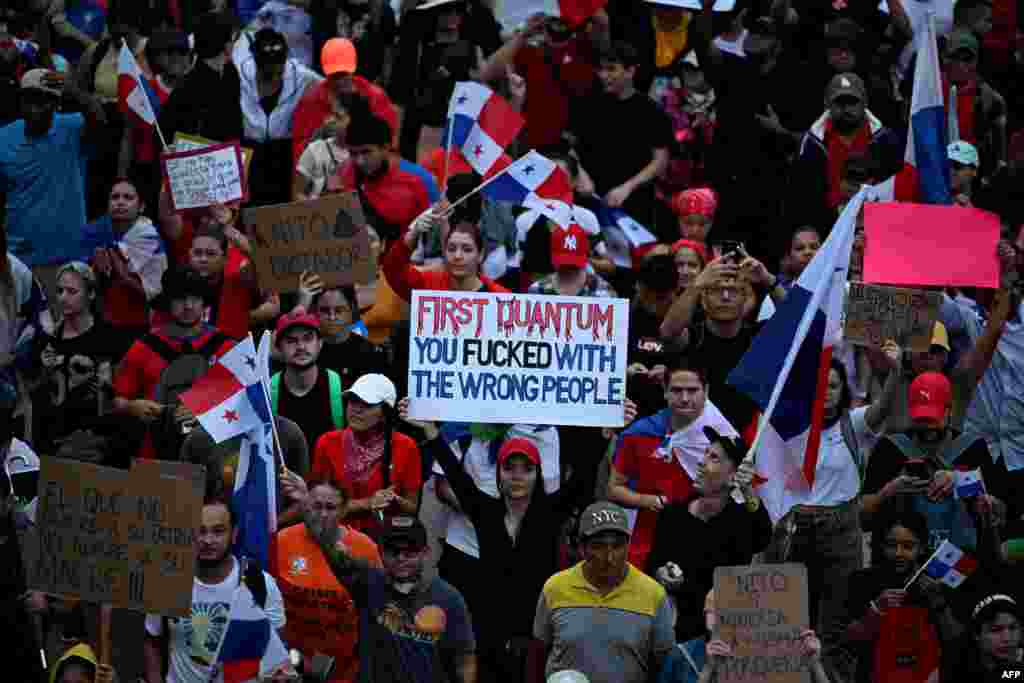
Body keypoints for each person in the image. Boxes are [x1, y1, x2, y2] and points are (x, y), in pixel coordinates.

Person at [401, 401, 590, 683]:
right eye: (508, 468)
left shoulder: (550, 514)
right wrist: (430, 430)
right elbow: (455, 474)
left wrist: (604, 434)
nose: (516, 477)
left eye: (526, 469)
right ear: (498, 475)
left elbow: (584, 476)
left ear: (538, 475)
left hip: (533, 639)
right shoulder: (485, 511)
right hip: (487, 636)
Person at [762, 347, 904, 681]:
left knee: (834, 628)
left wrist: (896, 372)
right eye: (818, 385)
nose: (825, 392)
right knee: (786, 623)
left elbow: (883, 409)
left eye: (833, 385)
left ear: (844, 391)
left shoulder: (853, 424)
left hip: (840, 532)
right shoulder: (786, 428)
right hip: (792, 529)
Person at [281, 472, 478, 683]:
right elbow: (328, 543)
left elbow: (465, 660)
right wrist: (306, 503)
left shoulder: (449, 598)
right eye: (394, 551)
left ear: (426, 552)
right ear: (381, 553)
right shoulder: (368, 584)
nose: (402, 558)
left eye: (410, 551)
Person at [143, 497, 290, 683]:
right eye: (200, 531)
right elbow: (152, 641)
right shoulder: (168, 582)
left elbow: (277, 655)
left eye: (218, 531)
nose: (208, 540)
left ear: (234, 533)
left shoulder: (260, 584)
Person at [609, 360, 739, 568]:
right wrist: (649, 500)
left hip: (704, 549)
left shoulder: (727, 439)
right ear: (665, 392)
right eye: (677, 391)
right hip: (644, 547)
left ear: (706, 391)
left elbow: (739, 495)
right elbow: (614, 489)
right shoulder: (639, 433)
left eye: (692, 390)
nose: (685, 398)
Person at [646, 426, 770, 645]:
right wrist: (661, 573)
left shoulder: (740, 522)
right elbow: (653, 563)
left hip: (719, 639)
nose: (702, 462)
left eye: (714, 458)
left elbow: (763, 537)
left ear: (733, 476)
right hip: (673, 635)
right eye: (705, 453)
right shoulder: (673, 514)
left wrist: (748, 489)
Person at [530, 500, 675, 683]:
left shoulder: (653, 594)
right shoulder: (555, 587)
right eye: (598, 546)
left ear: (628, 545)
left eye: (617, 545)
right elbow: (537, 654)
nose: (609, 557)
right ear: (582, 547)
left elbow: (667, 665)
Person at [861, 372, 1005, 552]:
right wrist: (889, 491)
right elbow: (862, 515)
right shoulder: (889, 448)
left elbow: (999, 510)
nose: (928, 426)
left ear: (949, 410)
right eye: (921, 418)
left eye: (933, 417)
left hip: (961, 554)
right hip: (901, 556)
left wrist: (962, 483)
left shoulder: (973, 447)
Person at [112, 266, 235, 461]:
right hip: (155, 455)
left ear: (204, 302)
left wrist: (209, 411)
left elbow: (249, 403)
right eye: (180, 298)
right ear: (168, 302)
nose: (188, 306)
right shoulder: (143, 347)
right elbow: (118, 400)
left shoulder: (228, 348)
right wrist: (131, 407)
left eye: (195, 298)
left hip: (216, 456)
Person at [0, 68, 103, 296]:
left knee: (64, 327)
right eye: (30, 99)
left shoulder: (72, 128)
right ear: (20, 102)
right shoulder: (3, 139)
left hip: (68, 258)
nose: (37, 107)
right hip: (19, 260)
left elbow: (99, 118)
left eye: (46, 100)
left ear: (56, 105)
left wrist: (73, 91)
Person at [660, 249, 785, 431]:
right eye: (717, 291)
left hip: (750, 439)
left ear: (746, 299)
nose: (725, 297)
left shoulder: (758, 337)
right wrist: (698, 284)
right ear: (703, 300)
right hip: (696, 435)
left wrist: (768, 280)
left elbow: (801, 322)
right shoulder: (692, 337)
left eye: (733, 291)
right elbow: (668, 333)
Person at [274, 478, 382, 683]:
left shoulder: (365, 548)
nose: (322, 514)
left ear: (343, 511)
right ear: (305, 507)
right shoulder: (282, 541)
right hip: (292, 662)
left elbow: (378, 605)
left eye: (330, 507)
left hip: (346, 668)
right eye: (316, 506)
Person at [842, 510, 962, 683]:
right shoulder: (862, 581)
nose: (899, 553)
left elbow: (957, 643)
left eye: (908, 546)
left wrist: (939, 603)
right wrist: (876, 610)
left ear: (921, 548)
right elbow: (849, 643)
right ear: (882, 546)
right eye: (892, 545)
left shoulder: (938, 582)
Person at [569, 41, 672, 238]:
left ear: (630, 71)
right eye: (601, 69)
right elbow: (571, 150)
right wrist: (581, 175)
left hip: (634, 206)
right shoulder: (588, 105)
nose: (604, 75)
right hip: (590, 203)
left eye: (611, 69)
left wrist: (627, 188)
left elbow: (660, 160)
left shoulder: (651, 111)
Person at [310, 374, 421, 535]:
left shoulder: (406, 446)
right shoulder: (327, 442)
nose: (356, 409)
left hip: (384, 543)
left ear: (384, 413)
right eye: (352, 401)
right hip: (335, 538)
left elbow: (412, 507)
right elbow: (316, 504)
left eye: (367, 404)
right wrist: (367, 503)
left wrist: (394, 499)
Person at [478, 11, 606, 149]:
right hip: (531, 147)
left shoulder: (585, 46)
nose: (559, 18)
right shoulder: (527, 50)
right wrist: (523, 35)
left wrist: (577, 8)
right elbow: (487, 74)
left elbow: (603, 22)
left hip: (574, 148)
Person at [790, 72, 901, 229]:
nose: (846, 109)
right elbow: (802, 199)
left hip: (877, 225)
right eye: (839, 102)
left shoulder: (886, 140)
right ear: (826, 104)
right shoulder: (810, 145)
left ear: (865, 103)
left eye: (852, 102)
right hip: (827, 229)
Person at [393, 0, 502, 160]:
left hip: (463, 120)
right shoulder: (415, 36)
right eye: (446, 11)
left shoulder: (475, 34)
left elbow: (490, 75)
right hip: (423, 123)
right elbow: (401, 91)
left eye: (458, 10)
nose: (453, 16)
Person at [30, 261, 119, 456]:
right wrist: (46, 371)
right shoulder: (49, 341)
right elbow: (37, 397)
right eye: (60, 291)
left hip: (97, 440)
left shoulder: (109, 337)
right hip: (54, 440)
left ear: (91, 294)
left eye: (72, 291)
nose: (63, 298)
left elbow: (117, 394)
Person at [238, 27, 322, 206]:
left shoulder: (301, 75)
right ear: (256, 61)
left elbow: (331, 88)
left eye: (279, 64)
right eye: (267, 66)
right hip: (249, 151)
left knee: (280, 207)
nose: (275, 71)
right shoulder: (238, 75)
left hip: (282, 152)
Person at [82, 177, 168, 345]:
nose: (120, 202)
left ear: (141, 206)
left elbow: (157, 294)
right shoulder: (98, 235)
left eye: (128, 198)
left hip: (141, 326)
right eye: (115, 197)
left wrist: (124, 275)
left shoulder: (149, 237)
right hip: (105, 321)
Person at [328, 112, 436, 244]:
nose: (359, 161)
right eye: (353, 153)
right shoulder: (339, 173)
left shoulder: (421, 180)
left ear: (386, 148)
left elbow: (431, 236)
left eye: (366, 152)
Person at [291, 37, 398, 166]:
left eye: (344, 73)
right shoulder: (310, 102)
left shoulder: (376, 97)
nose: (341, 80)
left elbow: (388, 147)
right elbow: (299, 156)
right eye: (335, 75)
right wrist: (320, 135)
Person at [382, 205, 509, 303]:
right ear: (444, 252)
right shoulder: (426, 285)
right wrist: (413, 234)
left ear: (480, 255)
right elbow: (393, 271)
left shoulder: (501, 298)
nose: (457, 256)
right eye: (451, 248)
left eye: (467, 249)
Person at [158, 10, 242, 145]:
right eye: (232, 40)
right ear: (226, 46)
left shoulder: (230, 74)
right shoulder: (186, 91)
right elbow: (166, 137)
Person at [294, 272, 390, 388]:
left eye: (339, 310)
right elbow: (274, 348)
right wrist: (302, 304)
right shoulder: (305, 350)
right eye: (325, 310)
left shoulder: (370, 353)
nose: (332, 317)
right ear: (315, 312)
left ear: (351, 310)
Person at [270, 308, 346, 452]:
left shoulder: (342, 388)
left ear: (320, 343)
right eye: (291, 340)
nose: (301, 347)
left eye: (308, 338)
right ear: (279, 347)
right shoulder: (268, 391)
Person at [187, 223, 279, 339]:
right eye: (197, 253)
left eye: (211, 254)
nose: (203, 259)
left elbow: (261, 265)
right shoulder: (178, 284)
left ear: (225, 259)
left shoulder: (238, 282)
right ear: (189, 254)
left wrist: (244, 245)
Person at [941, 593, 1023, 680]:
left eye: (1013, 628)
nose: (1007, 638)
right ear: (977, 635)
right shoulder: (956, 668)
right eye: (996, 630)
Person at [528, 224, 614, 297]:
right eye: (563, 262)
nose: (568, 267)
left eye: (574, 263)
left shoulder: (603, 292)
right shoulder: (536, 290)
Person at [949, 140, 981, 206]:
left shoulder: (985, 205)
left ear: (974, 171)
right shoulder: (935, 200)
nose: (951, 170)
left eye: (957, 166)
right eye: (946, 166)